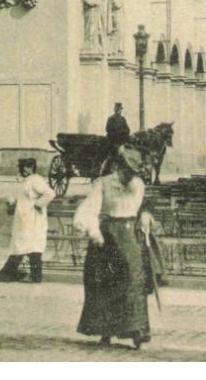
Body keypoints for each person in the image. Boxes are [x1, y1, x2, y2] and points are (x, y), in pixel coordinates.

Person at [74, 144, 151, 349]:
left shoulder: (138, 183)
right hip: (107, 238)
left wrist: (144, 215)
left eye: (133, 171)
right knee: (106, 284)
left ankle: (136, 330)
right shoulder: (102, 184)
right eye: (126, 169)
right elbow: (90, 208)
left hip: (130, 238)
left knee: (134, 282)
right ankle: (105, 330)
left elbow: (142, 205)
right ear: (117, 166)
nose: (130, 175)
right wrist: (94, 231)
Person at [0, 157, 56, 283]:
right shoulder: (27, 180)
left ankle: (9, 274)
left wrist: (38, 204)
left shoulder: (36, 180)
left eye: (22, 168)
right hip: (25, 218)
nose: (21, 170)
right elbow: (21, 195)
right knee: (24, 245)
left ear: (29, 168)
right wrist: (11, 200)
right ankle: (26, 275)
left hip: (33, 219)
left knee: (26, 246)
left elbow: (50, 193)